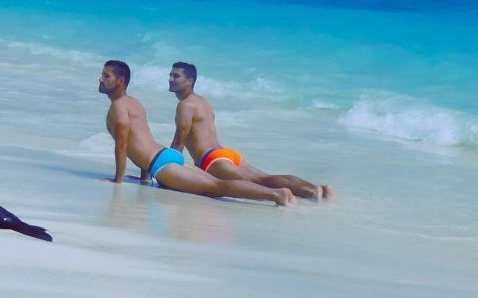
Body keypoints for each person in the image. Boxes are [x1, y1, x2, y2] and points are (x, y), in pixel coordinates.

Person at [100, 60, 292, 207]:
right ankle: (275, 192)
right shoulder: (133, 102)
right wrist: (144, 177)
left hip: (160, 164)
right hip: (165, 156)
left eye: (105, 76)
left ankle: (276, 194)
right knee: (217, 184)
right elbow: (141, 138)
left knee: (216, 188)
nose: (101, 79)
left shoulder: (118, 107)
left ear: (121, 81)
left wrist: (117, 179)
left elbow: (123, 144)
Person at [168, 62, 333, 200]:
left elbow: (179, 142)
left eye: (176, 76)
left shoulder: (185, 105)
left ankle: (310, 191)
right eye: (170, 75)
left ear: (190, 81)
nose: (170, 79)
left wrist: (170, 171)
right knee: (264, 178)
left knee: (262, 182)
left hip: (211, 160)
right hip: (225, 153)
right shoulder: (203, 101)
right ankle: (319, 189)